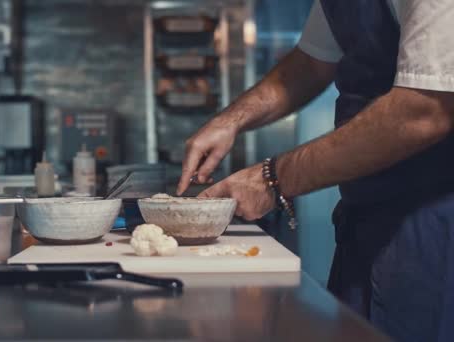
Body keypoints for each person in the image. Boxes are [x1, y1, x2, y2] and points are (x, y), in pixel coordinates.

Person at [176, 1, 454, 341]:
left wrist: (272, 180)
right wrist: (229, 120)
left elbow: (424, 110)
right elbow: (311, 62)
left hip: (435, 225)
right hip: (367, 217)